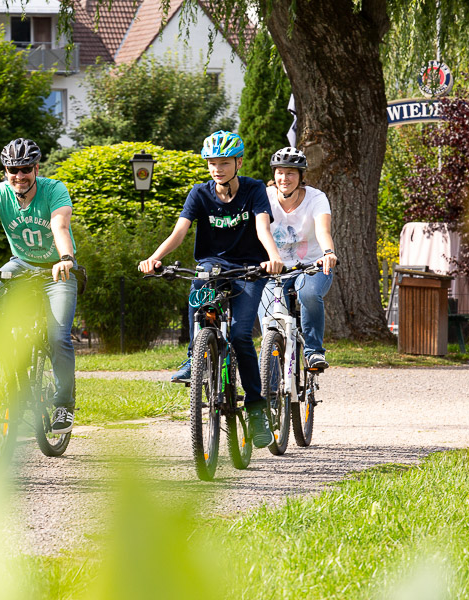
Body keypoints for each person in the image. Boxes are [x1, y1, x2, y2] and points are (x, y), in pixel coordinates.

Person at [138, 131, 283, 448]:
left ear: (238, 162)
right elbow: (180, 232)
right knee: (198, 286)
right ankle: (195, 356)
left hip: (249, 267)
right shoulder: (199, 194)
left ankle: (256, 410)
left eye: (224, 162)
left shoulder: (255, 189)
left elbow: (262, 226)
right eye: (212, 163)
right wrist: (154, 258)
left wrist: (273, 258)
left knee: (242, 335)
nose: (217, 169)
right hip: (212, 264)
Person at [0, 138, 79, 436]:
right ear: (5, 170)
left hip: (56, 270)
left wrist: (65, 258)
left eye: (24, 169)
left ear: (36, 168)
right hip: (19, 265)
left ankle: (64, 404)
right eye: (12, 170)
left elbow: (60, 225)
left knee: (58, 336)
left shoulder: (54, 189)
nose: (18, 176)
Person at [257, 147, 338, 369]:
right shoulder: (264, 197)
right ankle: (269, 385)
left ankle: (313, 352)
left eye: (291, 173)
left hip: (311, 266)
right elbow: (261, 229)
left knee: (309, 294)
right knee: (269, 319)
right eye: (280, 172)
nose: (284, 178)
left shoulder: (316, 198)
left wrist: (328, 253)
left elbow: (323, 231)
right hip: (275, 268)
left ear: (301, 176)